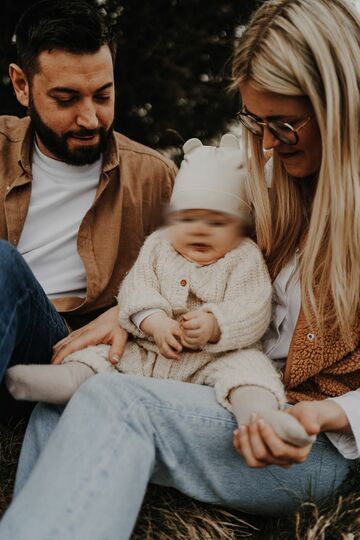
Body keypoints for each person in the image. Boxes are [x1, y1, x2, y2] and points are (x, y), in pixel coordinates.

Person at [0, 0, 359, 538]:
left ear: (340, 105)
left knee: (114, 401)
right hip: (219, 392)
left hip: (305, 441)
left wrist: (327, 415)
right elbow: (194, 253)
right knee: (71, 397)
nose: (266, 143)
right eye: (255, 122)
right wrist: (132, 311)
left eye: (284, 125)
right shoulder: (271, 182)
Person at [6, 134, 313, 446]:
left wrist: (214, 325)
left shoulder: (244, 257)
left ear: (241, 227)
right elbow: (137, 288)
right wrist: (155, 322)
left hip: (214, 358)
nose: (199, 230)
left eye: (217, 222)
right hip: (148, 350)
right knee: (103, 355)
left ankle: (259, 416)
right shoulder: (158, 246)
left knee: (250, 371)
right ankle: (64, 380)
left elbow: (253, 307)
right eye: (188, 217)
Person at [0, 0, 176, 416]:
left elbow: (197, 276)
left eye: (103, 96)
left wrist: (127, 312)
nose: (90, 119)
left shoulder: (155, 177)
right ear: (22, 85)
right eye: (65, 99)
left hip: (74, 358)